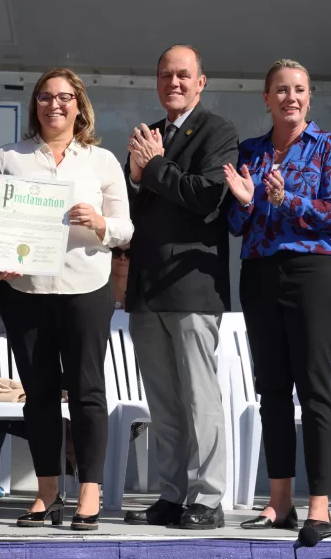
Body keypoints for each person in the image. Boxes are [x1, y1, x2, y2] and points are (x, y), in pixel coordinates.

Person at [0, 68, 133, 530]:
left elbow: (126, 229)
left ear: (79, 105)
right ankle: (48, 494)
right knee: (40, 396)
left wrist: (98, 223)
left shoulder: (102, 161)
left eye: (65, 97)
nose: (55, 105)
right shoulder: (11, 156)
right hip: (25, 291)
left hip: (85, 289)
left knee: (89, 393)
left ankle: (88, 495)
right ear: (35, 105)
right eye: (46, 97)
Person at [224, 59, 331, 534]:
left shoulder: (328, 147)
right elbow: (237, 226)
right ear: (266, 98)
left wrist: (286, 201)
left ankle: (319, 503)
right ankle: (279, 501)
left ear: (309, 97)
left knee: (314, 389)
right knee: (271, 390)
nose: (290, 97)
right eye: (281, 90)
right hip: (259, 274)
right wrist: (242, 200)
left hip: (314, 272)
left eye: (298, 89)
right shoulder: (251, 151)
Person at [122, 45, 237, 530]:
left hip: (192, 286)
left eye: (183, 75)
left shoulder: (218, 131)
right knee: (164, 401)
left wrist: (151, 169)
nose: (174, 83)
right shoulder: (150, 134)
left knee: (199, 397)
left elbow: (207, 196)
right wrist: (134, 179)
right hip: (148, 288)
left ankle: (207, 498)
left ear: (201, 82)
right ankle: (172, 494)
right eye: (166, 75)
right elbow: (139, 213)